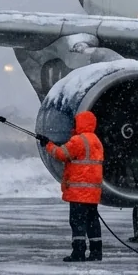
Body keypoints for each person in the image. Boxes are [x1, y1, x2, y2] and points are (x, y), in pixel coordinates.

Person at [37, 111, 105, 262]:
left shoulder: (79, 140)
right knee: (92, 222)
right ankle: (96, 252)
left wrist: (48, 144)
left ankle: (78, 252)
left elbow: (61, 154)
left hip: (79, 192)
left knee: (77, 222)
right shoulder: (96, 141)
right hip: (93, 192)